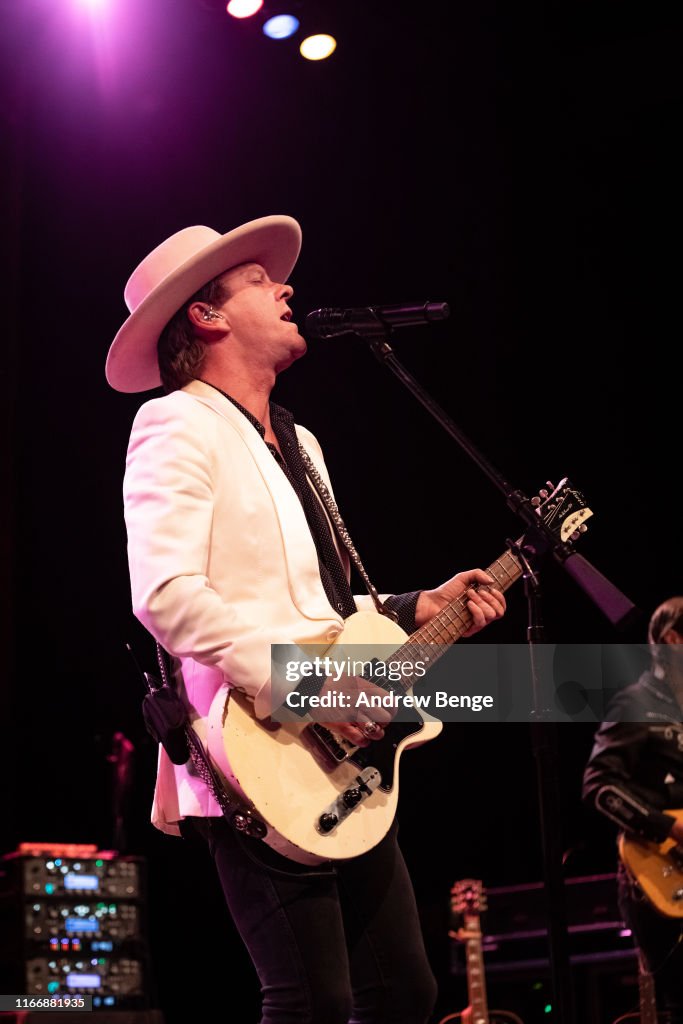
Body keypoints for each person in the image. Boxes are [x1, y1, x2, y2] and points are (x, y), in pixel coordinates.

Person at [106, 215, 507, 1024]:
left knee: (405, 990)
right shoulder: (175, 423)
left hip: (332, 757)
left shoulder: (300, 442)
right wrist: (315, 686)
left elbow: (315, 603)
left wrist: (412, 607)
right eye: (256, 280)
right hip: (249, 749)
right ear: (205, 316)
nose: (285, 287)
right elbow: (167, 595)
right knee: (311, 1001)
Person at [583, 595, 683, 1022]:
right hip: (662, 875)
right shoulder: (637, 703)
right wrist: (669, 829)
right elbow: (599, 786)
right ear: (673, 639)